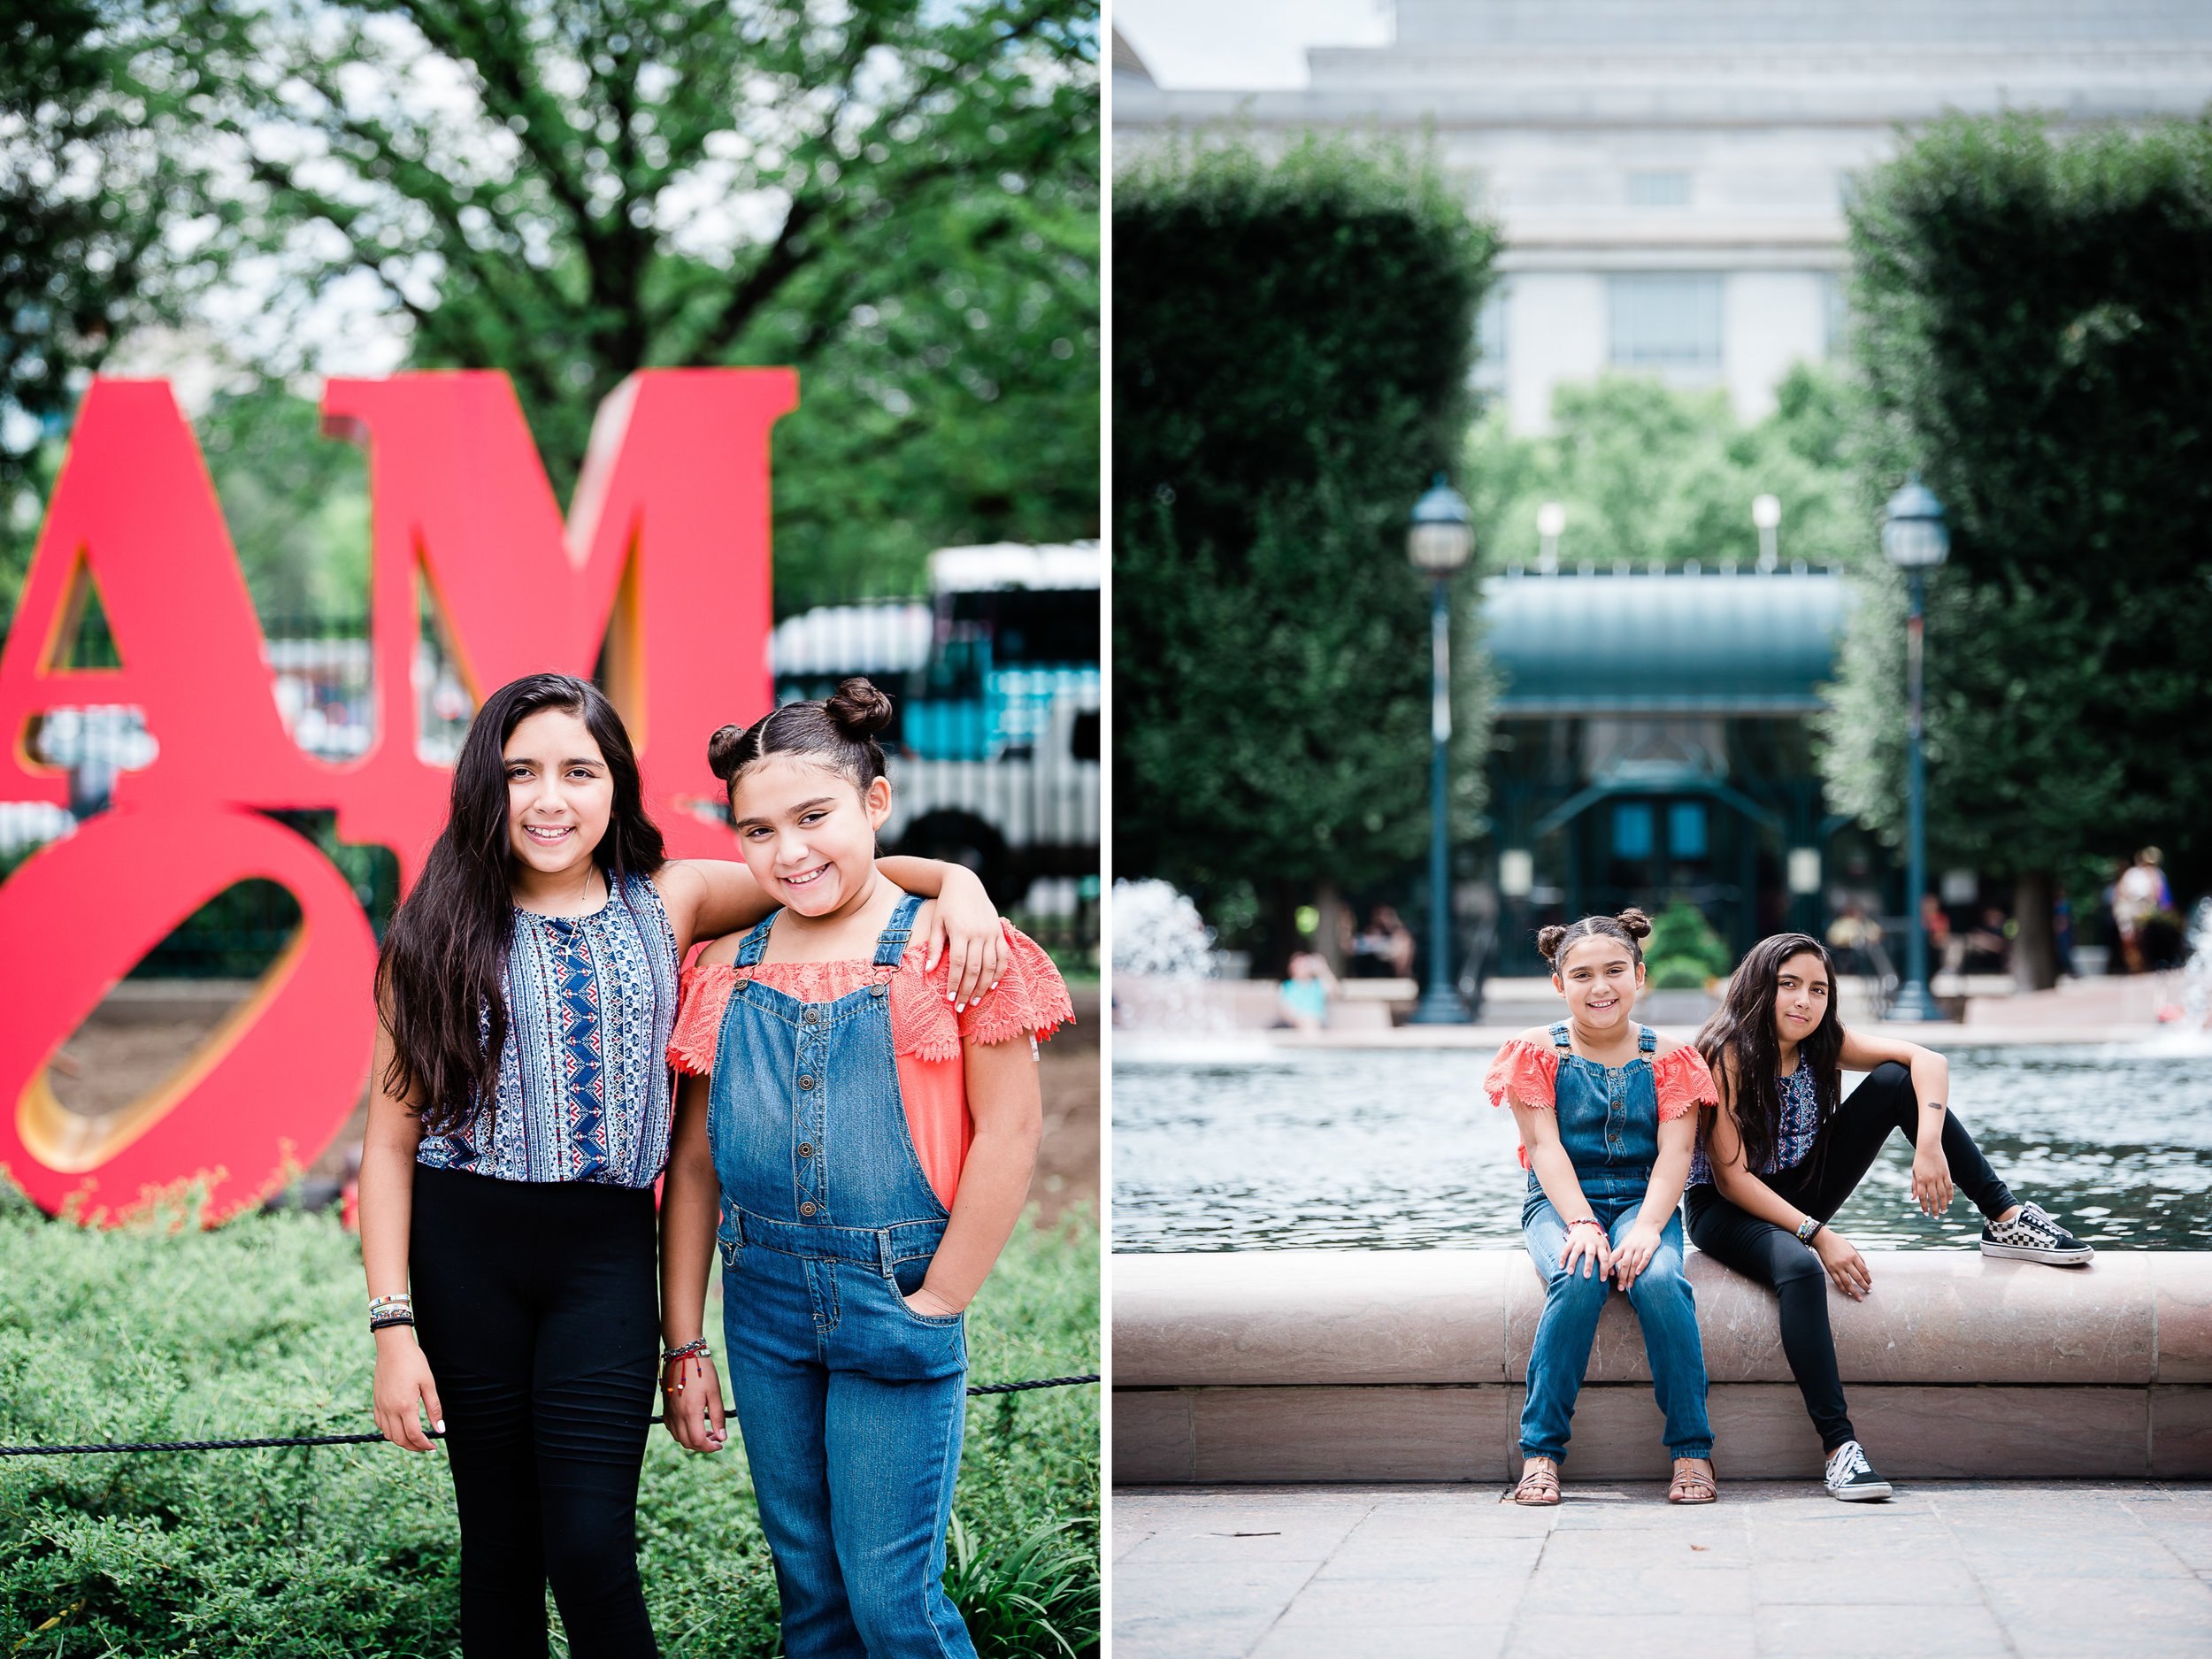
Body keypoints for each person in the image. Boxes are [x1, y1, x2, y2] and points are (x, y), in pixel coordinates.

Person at [359, 672, 1005, 1657]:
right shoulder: (435, 930)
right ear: (484, 788)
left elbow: (831, 873)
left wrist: (958, 882)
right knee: (498, 1549)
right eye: (520, 772)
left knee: (588, 1546)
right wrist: (392, 1330)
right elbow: (390, 1139)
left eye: (578, 770)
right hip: (464, 1251)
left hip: (603, 1259)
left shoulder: (673, 899)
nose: (549, 798)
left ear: (616, 784)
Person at [657, 678, 1072, 1659]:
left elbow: (1009, 1132)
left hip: (897, 1290)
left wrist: (939, 1303)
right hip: (759, 1304)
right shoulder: (724, 964)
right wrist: (684, 1340)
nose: (788, 851)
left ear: (874, 804)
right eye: (756, 832)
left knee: (894, 1601)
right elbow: (694, 1162)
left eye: (813, 817)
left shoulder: (952, 947)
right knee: (812, 1596)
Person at [1685, 932, 2092, 1505]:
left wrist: (1929, 1143)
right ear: (1759, 986)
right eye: (1789, 985)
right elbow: (1731, 1178)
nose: (1804, 1000)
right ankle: (1839, 1448)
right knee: (1799, 1270)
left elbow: (1929, 1059)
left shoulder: (1822, 1041)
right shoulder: (1726, 1051)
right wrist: (1818, 1234)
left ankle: (2003, 1214)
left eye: (1819, 989)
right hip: (1727, 1207)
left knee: (1896, 1081)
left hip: (1801, 1185)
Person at [1481, 909, 1719, 1507]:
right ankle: (1540, 1452)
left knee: (1662, 1278)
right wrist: (1583, 1222)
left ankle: (1692, 1449)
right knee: (1579, 1271)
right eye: (1582, 974)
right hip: (1561, 1200)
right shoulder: (1534, 1052)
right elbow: (1543, 1147)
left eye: (1615, 970)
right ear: (1560, 984)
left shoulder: (1672, 1057)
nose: (1601, 987)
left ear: (1640, 974)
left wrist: (1645, 1226)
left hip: (1645, 1198)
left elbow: (1676, 1155)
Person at [1276, 943, 1338, 1030]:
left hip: (1317, 1022)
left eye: (1305, 965)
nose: (1302, 968)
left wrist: (1323, 969)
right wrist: (1300, 1019)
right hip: (1294, 1024)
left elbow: (1335, 992)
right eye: (1298, 964)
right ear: (1291, 968)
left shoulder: (1319, 984)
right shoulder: (1286, 986)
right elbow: (1284, 1009)